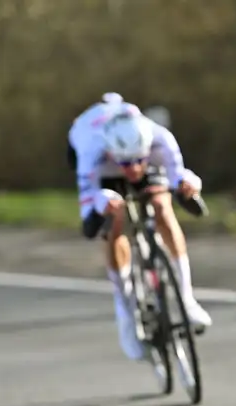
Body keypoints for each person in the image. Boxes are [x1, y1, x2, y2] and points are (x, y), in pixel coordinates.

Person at [68, 92, 212, 377]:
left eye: (138, 161)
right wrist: (102, 205)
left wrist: (187, 187)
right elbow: (88, 216)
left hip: (133, 151)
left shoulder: (160, 138)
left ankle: (186, 299)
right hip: (100, 167)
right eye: (126, 163)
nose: (133, 170)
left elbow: (179, 177)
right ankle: (126, 309)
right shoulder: (92, 149)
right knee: (114, 216)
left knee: (162, 204)